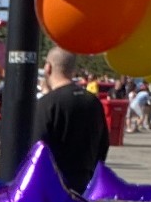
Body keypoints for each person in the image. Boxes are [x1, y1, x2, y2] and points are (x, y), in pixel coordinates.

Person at [31, 48, 112, 194]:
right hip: (85, 184)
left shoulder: (47, 104)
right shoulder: (93, 102)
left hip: (53, 187)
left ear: (48, 67)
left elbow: (36, 147)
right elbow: (104, 143)